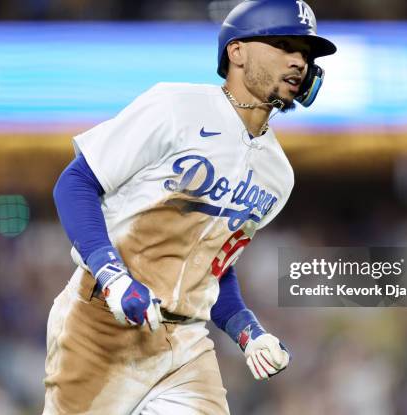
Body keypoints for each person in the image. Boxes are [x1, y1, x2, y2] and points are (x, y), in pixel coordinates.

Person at [43, 0, 336, 413]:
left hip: (185, 344)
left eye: (305, 53)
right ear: (236, 51)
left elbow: (214, 268)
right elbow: (75, 183)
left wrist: (247, 330)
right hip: (100, 324)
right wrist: (113, 276)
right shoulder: (175, 106)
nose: (299, 62)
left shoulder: (278, 175)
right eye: (284, 45)